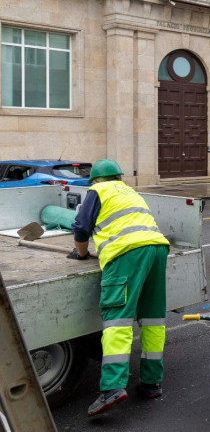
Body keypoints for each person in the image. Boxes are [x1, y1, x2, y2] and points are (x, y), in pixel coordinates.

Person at [69, 159, 170, 417]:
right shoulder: (130, 192)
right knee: (153, 319)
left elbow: (81, 227)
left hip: (126, 254)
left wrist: (81, 254)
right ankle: (151, 383)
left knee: (117, 320)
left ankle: (112, 388)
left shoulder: (97, 191)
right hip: (157, 249)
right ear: (119, 177)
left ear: (96, 180)